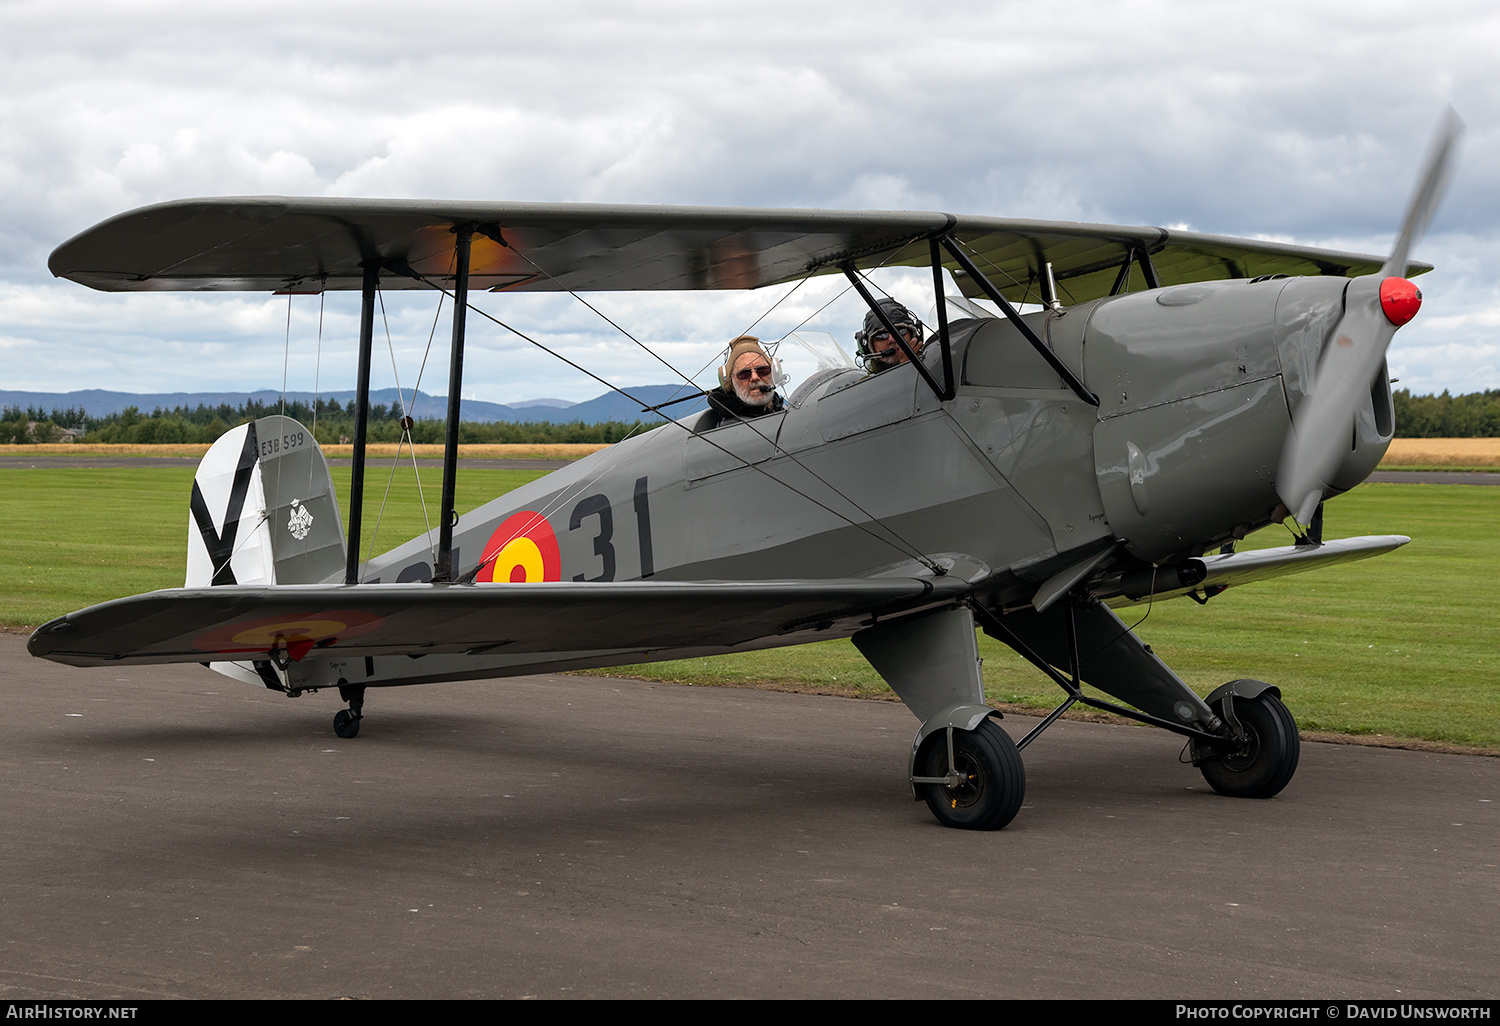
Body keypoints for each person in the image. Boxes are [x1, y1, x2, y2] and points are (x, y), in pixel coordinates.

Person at [705, 335, 784, 423]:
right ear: (730, 384)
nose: (754, 378)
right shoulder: (728, 428)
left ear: (775, 373)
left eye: (762, 370)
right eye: (744, 374)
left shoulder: (787, 412)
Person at [854, 298, 923, 373]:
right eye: (881, 336)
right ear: (868, 347)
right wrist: (906, 368)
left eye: (900, 331)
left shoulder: (935, 362)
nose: (892, 339)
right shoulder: (866, 383)